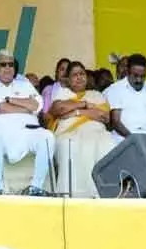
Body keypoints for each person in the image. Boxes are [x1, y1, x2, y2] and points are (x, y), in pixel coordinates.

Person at [0, 49, 54, 196]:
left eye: (11, 64)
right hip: (2, 134)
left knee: (48, 137)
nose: (8, 68)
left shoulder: (24, 83)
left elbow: (36, 106)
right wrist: (25, 107)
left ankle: (35, 187)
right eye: (3, 64)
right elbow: (0, 108)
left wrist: (11, 99)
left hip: (27, 132)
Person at [47, 61, 114, 198]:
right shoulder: (62, 93)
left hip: (96, 131)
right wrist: (84, 105)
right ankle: (74, 195)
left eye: (82, 74)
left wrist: (75, 112)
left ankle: (102, 192)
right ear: (68, 79)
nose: (79, 77)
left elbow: (104, 116)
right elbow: (58, 109)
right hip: (68, 133)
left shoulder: (96, 95)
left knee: (107, 142)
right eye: (74, 75)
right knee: (71, 144)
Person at [104, 53, 146, 143]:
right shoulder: (115, 89)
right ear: (127, 72)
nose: (139, 80)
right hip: (125, 140)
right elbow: (116, 121)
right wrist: (134, 141)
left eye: (143, 76)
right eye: (135, 76)